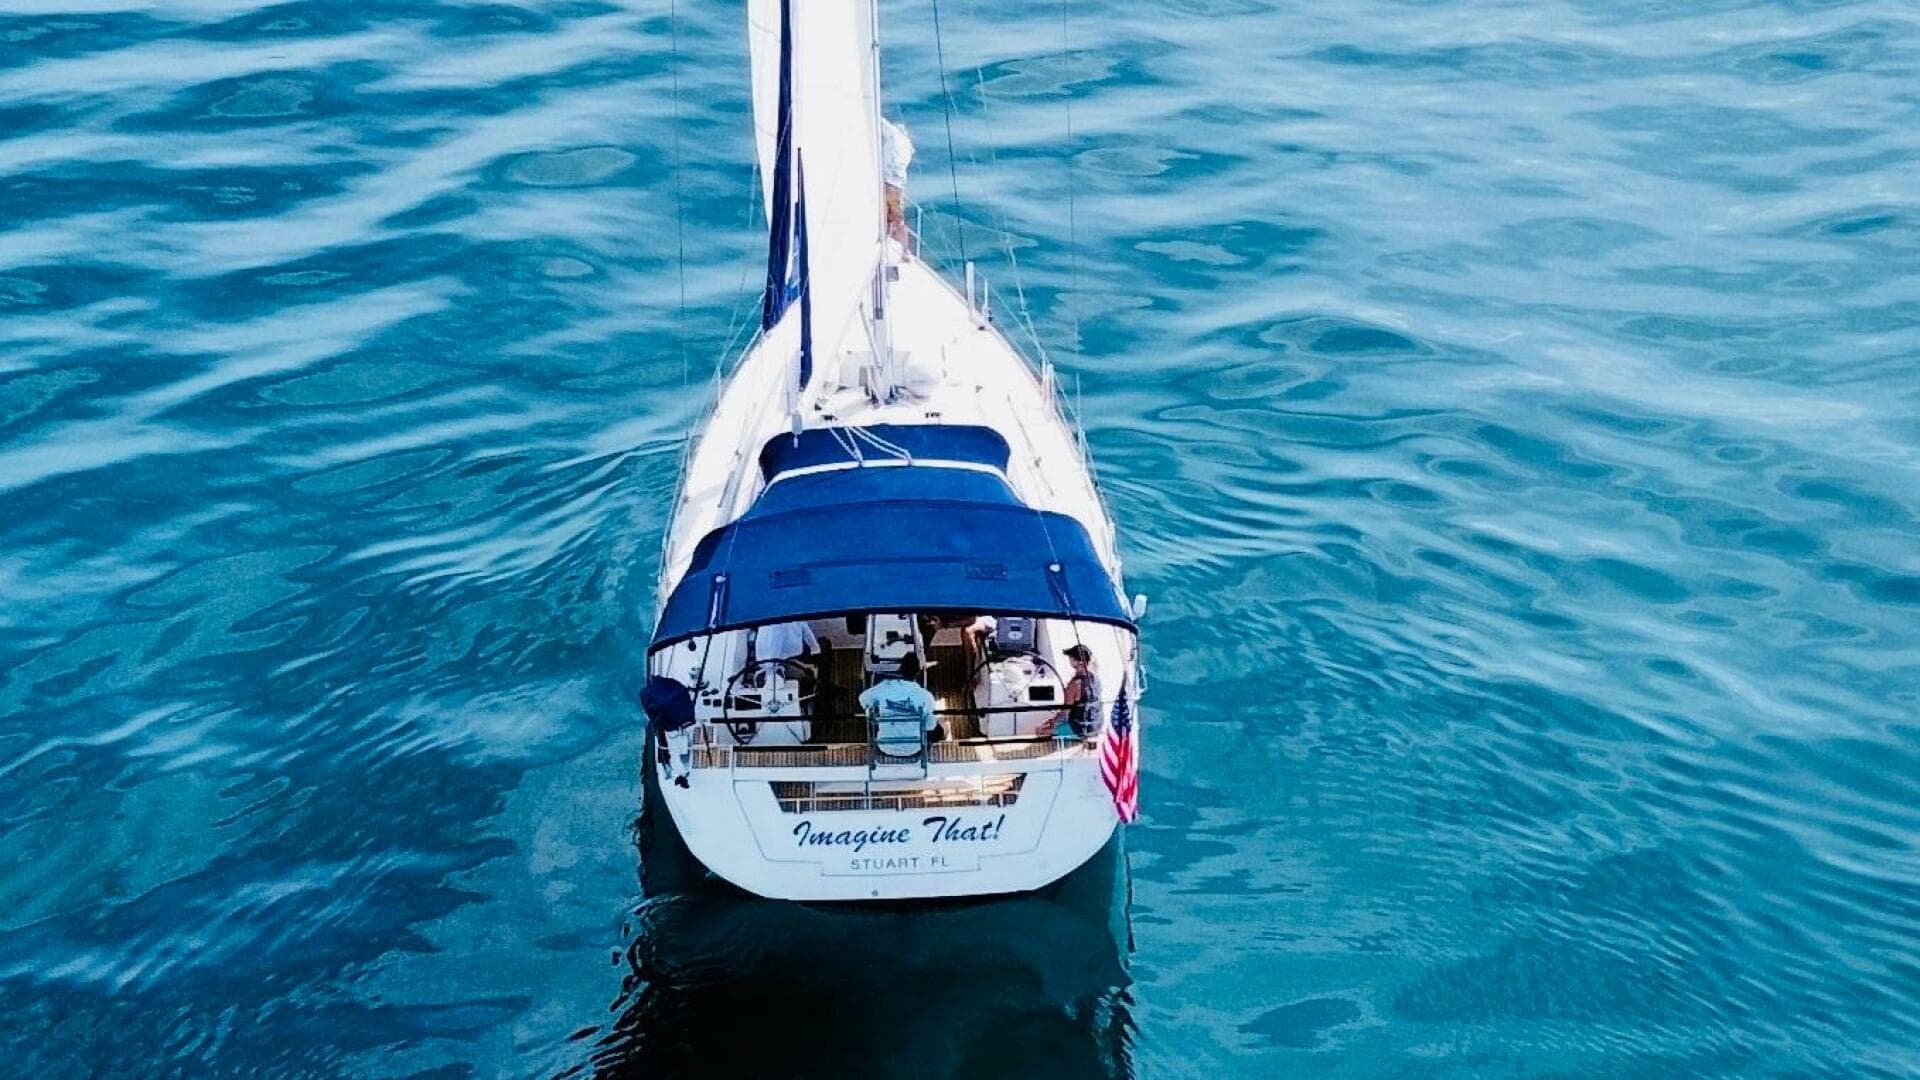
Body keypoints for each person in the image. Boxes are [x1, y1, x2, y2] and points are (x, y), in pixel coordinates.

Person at [859, 652, 939, 757]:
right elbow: (930, 726)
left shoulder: (884, 687)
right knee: (937, 726)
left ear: (900, 670)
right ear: (918, 673)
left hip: (885, 746)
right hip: (914, 747)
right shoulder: (926, 696)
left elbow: (862, 698)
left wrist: (872, 711)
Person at [1039, 643, 1101, 739]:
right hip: (1096, 727)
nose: (1069, 660)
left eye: (1071, 658)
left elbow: (1064, 714)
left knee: (1040, 731)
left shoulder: (1074, 685)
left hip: (1080, 731)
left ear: (1077, 661)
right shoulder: (1096, 678)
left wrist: (1052, 722)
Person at [881, 117, 915, 247]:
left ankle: (885, 240)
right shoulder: (907, 149)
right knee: (898, 220)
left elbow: (882, 124)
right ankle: (904, 251)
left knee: (887, 217)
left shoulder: (895, 136)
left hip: (888, 185)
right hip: (898, 187)